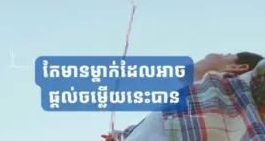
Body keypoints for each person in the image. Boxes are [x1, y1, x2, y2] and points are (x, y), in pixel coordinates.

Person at [101, 51, 265, 141]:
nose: (210, 54)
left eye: (226, 53)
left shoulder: (239, 88)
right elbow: (147, 130)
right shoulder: (176, 102)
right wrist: (119, 136)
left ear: (238, 67)